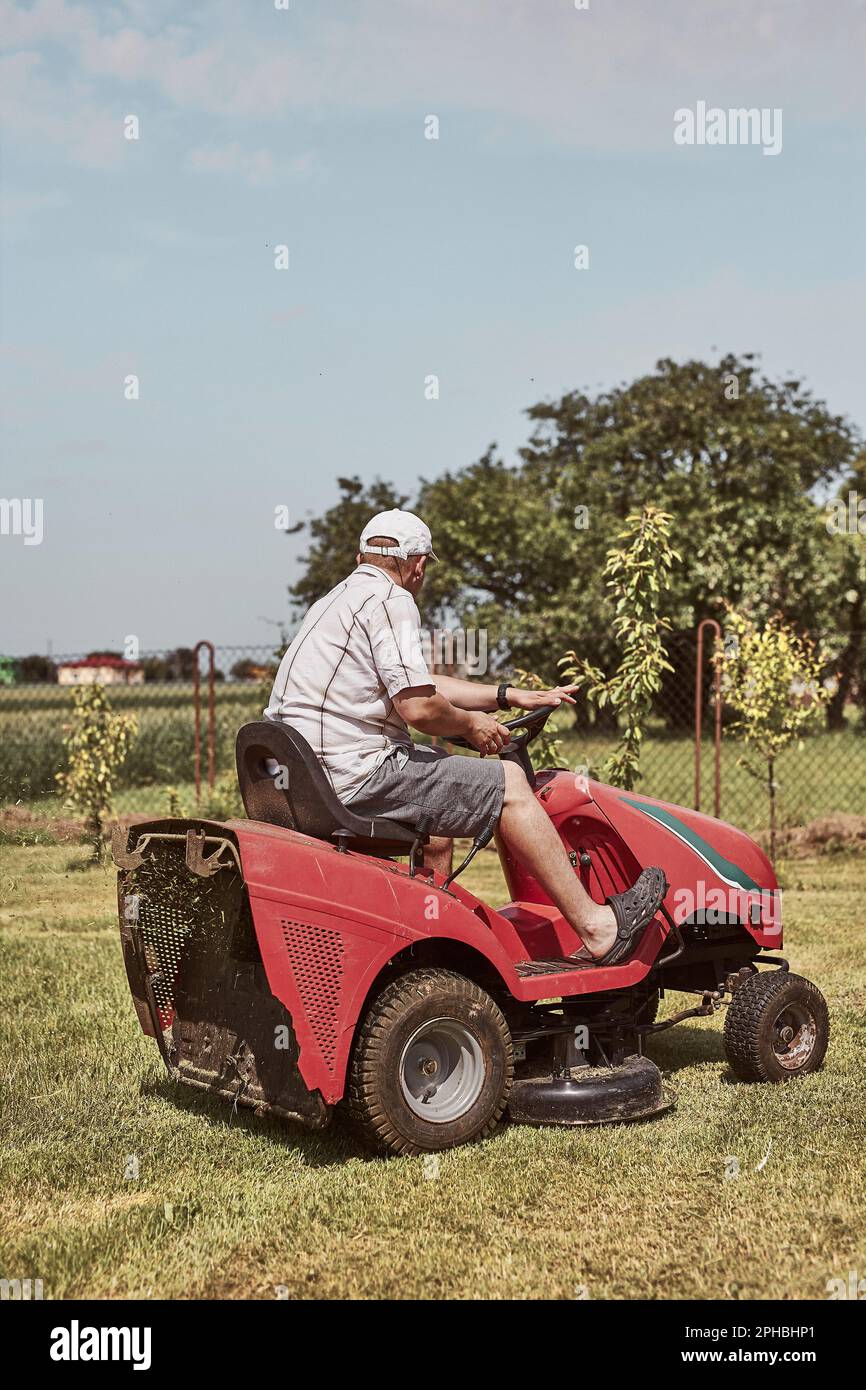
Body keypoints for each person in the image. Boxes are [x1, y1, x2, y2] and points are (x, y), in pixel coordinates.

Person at [265, 508, 665, 964]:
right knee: (511, 787)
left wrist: (507, 696)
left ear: (364, 554)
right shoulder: (391, 600)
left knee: (437, 832)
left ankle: (433, 944)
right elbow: (419, 708)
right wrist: (471, 726)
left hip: (306, 779)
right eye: (425, 568)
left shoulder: (337, 600)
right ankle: (598, 929)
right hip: (354, 777)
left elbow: (419, 683)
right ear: (416, 564)